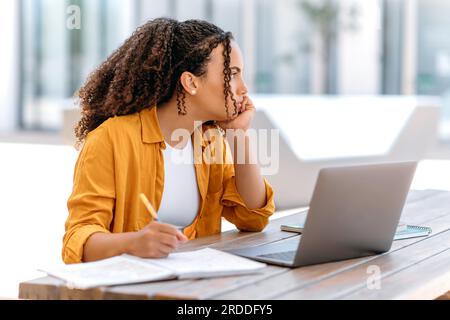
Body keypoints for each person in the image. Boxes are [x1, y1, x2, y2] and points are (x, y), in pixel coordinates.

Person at [62, 18, 275, 264]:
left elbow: (253, 217)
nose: (244, 89)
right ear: (190, 82)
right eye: (232, 74)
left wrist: (238, 134)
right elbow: (77, 241)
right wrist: (132, 243)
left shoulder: (209, 141)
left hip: (192, 289)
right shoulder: (111, 139)